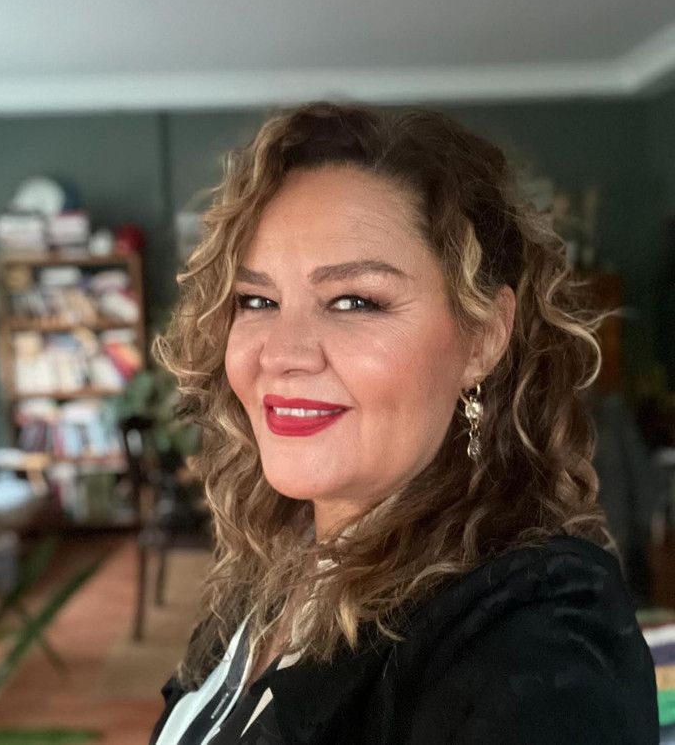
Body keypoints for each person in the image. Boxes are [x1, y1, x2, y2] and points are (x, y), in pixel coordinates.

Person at [150, 102, 658, 744]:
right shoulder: (276, 560)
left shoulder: (533, 628)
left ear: (482, 337)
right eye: (257, 300)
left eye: (353, 301)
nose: (280, 353)